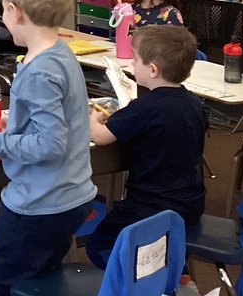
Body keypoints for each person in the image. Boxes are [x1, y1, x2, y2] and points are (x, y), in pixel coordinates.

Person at [0, 0, 96, 296]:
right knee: (38, 279)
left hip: (38, 204)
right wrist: (16, 123)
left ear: (13, 11)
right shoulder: (61, 54)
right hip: (72, 196)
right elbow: (58, 118)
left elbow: (50, 144)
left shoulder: (39, 71)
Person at [85, 24, 207, 268]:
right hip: (189, 203)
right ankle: (170, 271)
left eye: (135, 60)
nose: (132, 66)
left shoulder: (145, 107)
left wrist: (91, 116)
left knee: (99, 244)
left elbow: (99, 137)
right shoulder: (195, 103)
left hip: (149, 207)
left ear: (152, 69)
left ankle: (135, 280)